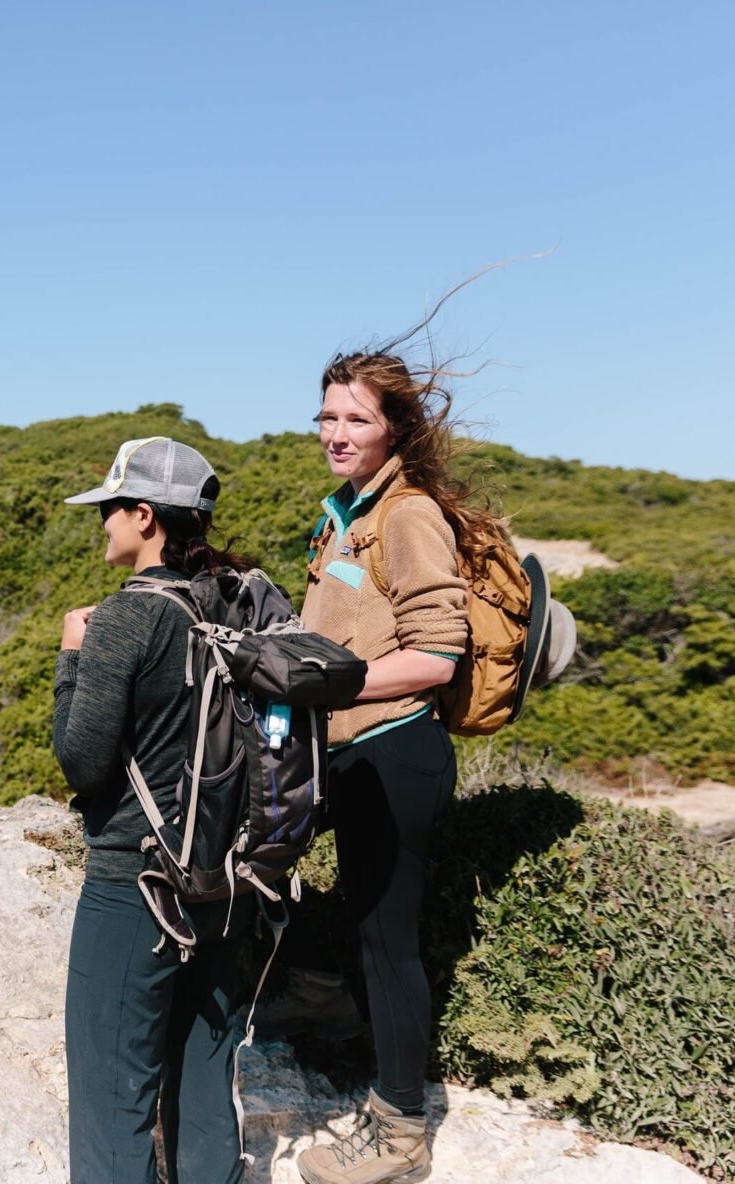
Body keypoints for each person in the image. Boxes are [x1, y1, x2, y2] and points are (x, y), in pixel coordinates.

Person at [294, 344, 498, 1184]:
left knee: (389, 943)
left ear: (394, 428)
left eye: (357, 419)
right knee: (267, 871)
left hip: (394, 752)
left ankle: (401, 1130)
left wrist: (324, 683)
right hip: (343, 751)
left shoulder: (407, 515)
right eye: (328, 416)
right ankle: (321, 1001)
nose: (337, 433)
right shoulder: (347, 511)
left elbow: (437, 656)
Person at [52, 436, 254, 1184]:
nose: (101, 524)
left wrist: (72, 657)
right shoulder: (228, 604)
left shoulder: (126, 617)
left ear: (144, 515)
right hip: (225, 880)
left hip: (134, 883)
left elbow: (82, 761)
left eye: (108, 509)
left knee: (112, 1098)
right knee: (203, 1081)